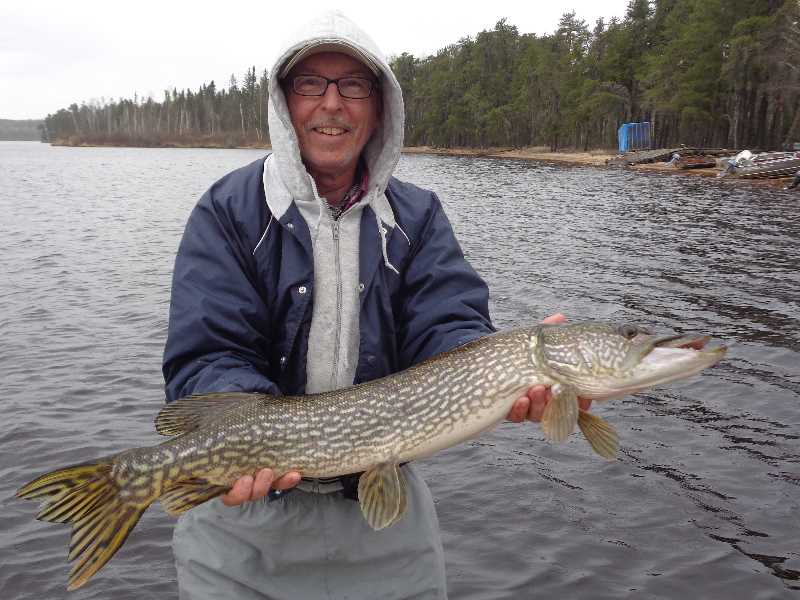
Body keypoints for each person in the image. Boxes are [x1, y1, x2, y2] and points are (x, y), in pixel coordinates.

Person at [162, 10, 589, 600]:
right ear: (284, 103)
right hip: (243, 527)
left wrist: (498, 368)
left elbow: (449, 324)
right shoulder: (229, 210)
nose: (331, 103)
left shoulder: (417, 216)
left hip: (384, 521)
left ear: (380, 105)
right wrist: (243, 439)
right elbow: (209, 352)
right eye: (310, 84)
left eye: (353, 86)